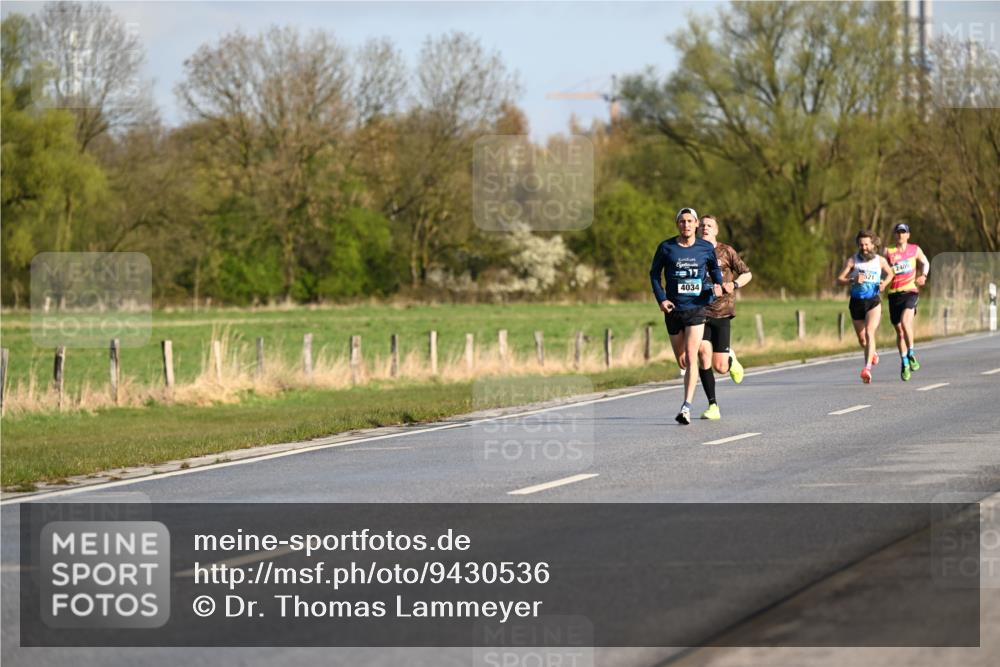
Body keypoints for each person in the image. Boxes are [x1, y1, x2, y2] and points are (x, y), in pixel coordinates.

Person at [650, 207, 727, 424]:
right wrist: (662, 299)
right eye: (682, 221)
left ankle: (686, 407)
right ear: (678, 225)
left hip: (696, 307)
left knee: (692, 356)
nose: (686, 225)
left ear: (695, 224)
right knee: (683, 361)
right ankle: (688, 397)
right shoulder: (666, 247)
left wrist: (718, 285)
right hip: (674, 310)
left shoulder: (704, 248)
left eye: (690, 221)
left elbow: (714, 270)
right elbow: (654, 275)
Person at [693, 215, 752, 420]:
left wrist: (733, 284)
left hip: (722, 312)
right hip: (699, 311)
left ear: (716, 230)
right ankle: (713, 405)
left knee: (720, 367)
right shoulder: (693, 251)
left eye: (709, 225)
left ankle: (730, 358)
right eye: (701, 226)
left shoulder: (726, 251)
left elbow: (747, 273)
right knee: (702, 354)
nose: (705, 228)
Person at [836, 230, 895, 384]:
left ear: (873, 244)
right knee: (863, 340)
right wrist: (852, 279)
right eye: (861, 245)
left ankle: (867, 369)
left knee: (870, 333)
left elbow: (890, 273)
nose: (864, 248)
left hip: (873, 301)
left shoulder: (880, 261)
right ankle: (872, 353)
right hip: (856, 302)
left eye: (867, 244)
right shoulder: (853, 261)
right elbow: (839, 279)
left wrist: (884, 284)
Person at [884, 223, 930, 381]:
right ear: (894, 235)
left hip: (910, 291)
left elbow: (926, 262)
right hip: (893, 294)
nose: (900, 235)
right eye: (898, 232)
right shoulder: (888, 251)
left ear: (908, 235)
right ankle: (904, 362)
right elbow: (880, 267)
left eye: (903, 232)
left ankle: (911, 353)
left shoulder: (915, 249)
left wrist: (924, 275)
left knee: (905, 322)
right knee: (900, 332)